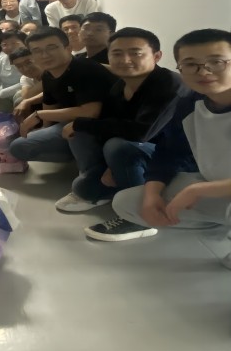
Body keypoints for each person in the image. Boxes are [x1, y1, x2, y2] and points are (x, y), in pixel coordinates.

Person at [110, 29, 231, 251]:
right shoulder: (190, 103)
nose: (204, 71)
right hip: (216, 186)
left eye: (216, 62)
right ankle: (221, 222)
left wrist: (198, 191)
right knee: (128, 203)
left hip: (214, 187)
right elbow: (170, 151)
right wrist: (152, 194)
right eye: (190, 64)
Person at [53, 28, 185, 226]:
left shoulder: (169, 84)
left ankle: (139, 217)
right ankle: (108, 183)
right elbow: (109, 123)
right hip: (138, 149)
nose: (125, 59)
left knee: (116, 145)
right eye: (117, 53)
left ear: (157, 56)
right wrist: (110, 166)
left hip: (173, 157)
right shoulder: (120, 86)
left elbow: (142, 132)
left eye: (135, 53)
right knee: (83, 181)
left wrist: (81, 123)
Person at [10, 27, 117, 163]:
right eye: (37, 51)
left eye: (51, 48)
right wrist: (43, 130)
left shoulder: (84, 69)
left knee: (77, 130)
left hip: (105, 124)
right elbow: (50, 105)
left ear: (68, 48)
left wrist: (39, 115)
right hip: (74, 123)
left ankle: (94, 167)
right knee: (19, 147)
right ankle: (80, 159)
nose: (44, 55)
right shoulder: (48, 74)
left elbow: (90, 112)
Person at [0, 30, 28, 114]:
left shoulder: (31, 59)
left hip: (24, 92)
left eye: (14, 43)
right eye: (4, 45)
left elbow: (30, 81)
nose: (9, 47)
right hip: (4, 97)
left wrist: (3, 92)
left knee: (19, 97)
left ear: (25, 43)